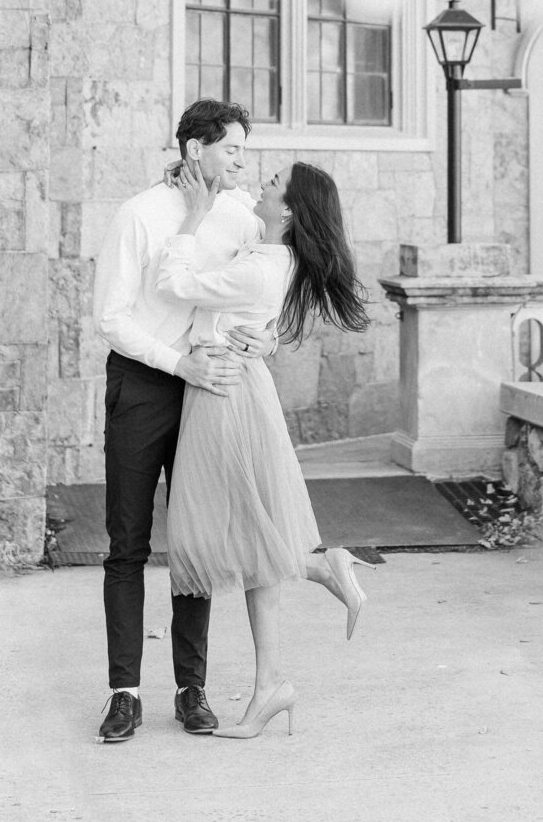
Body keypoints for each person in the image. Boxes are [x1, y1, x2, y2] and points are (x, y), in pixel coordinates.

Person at [156, 159, 372, 739]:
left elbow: (175, 284)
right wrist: (268, 334)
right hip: (232, 383)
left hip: (225, 391)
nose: (260, 185)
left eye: (273, 184)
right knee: (247, 534)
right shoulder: (266, 250)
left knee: (220, 535)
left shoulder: (264, 265)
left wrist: (193, 216)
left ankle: (319, 568)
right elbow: (247, 301)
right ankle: (271, 682)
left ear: (290, 211)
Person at [91, 98, 276, 745]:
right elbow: (111, 316)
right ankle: (124, 694)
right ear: (195, 149)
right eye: (232, 150)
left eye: (243, 153)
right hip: (144, 386)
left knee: (195, 543)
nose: (241, 163)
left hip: (211, 388)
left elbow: (260, 294)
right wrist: (178, 364)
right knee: (128, 544)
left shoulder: (242, 215)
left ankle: (190, 690)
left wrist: (263, 339)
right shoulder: (138, 214)